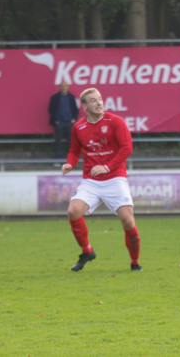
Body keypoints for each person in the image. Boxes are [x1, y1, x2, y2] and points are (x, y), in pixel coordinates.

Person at [61, 87, 142, 271]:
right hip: (91, 181)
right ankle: (87, 251)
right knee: (73, 211)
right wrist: (69, 164)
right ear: (84, 106)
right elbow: (74, 150)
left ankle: (135, 261)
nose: (98, 103)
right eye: (93, 100)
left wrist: (106, 167)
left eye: (99, 99)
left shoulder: (115, 121)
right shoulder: (78, 127)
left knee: (128, 221)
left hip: (115, 178)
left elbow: (127, 148)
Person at [49, 81, 79, 162]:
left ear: (68, 87)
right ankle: (57, 159)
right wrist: (56, 120)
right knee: (58, 141)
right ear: (60, 87)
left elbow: (75, 109)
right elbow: (51, 109)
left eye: (65, 86)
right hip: (59, 123)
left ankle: (70, 160)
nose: (64, 88)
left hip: (69, 123)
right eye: (62, 86)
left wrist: (73, 119)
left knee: (71, 142)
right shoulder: (55, 97)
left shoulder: (71, 97)